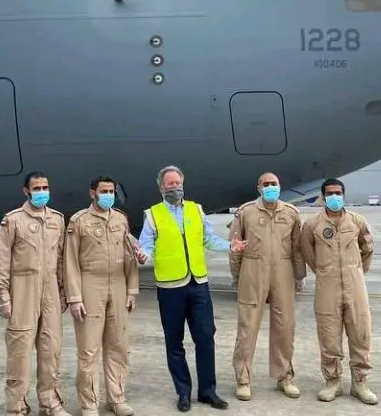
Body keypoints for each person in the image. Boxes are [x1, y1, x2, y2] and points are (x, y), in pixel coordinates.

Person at [135, 165, 246, 412]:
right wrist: (142, 255)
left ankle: (208, 392)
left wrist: (230, 246)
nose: (174, 187)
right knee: (174, 342)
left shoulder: (196, 209)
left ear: (183, 183)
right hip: (170, 287)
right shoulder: (153, 214)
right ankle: (183, 392)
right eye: (169, 184)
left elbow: (208, 239)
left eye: (177, 183)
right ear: (161, 188)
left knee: (205, 338)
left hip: (198, 285)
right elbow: (146, 246)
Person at [0, 171, 71, 416]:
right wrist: (3, 296)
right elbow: (1, 260)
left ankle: (50, 402)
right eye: (37, 188)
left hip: (50, 293)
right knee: (19, 353)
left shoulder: (57, 219)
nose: (42, 192)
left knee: (51, 349)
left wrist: (63, 290)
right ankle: (16, 407)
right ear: (26, 191)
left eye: (45, 187)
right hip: (23, 290)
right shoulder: (13, 220)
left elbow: (62, 259)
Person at [63, 176, 140, 416]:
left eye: (111, 191)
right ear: (92, 193)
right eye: (104, 191)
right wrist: (74, 297)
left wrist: (132, 290)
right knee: (89, 349)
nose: (108, 195)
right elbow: (70, 262)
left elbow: (129, 257)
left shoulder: (120, 219)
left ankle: (116, 398)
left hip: (117, 284)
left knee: (118, 345)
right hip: (90, 284)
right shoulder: (79, 221)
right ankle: (89, 403)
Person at [228, 172, 307, 401]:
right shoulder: (246, 212)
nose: (271, 187)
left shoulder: (291, 213)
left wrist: (299, 275)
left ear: (280, 186)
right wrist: (237, 275)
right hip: (253, 269)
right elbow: (235, 247)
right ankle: (243, 379)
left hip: (283, 270)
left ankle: (285, 377)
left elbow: (297, 248)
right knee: (247, 328)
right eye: (266, 184)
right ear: (259, 187)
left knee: (285, 327)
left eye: (274, 184)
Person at [299, 177, 378, 405]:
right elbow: (307, 252)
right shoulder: (313, 225)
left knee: (361, 333)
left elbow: (368, 249)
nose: (335, 197)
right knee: (328, 335)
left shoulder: (357, 221)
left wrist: (356, 271)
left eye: (338, 192)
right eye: (330, 193)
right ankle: (332, 381)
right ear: (323, 196)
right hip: (327, 286)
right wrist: (325, 271)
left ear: (344, 195)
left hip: (355, 286)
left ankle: (360, 382)